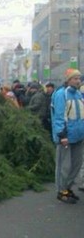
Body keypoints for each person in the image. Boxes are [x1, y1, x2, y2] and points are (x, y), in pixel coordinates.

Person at [51, 68, 84, 203]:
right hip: (66, 137)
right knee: (64, 166)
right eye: (75, 78)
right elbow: (59, 117)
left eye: (79, 78)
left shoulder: (78, 94)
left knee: (76, 164)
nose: (78, 81)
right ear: (68, 79)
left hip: (79, 136)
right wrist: (62, 135)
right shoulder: (61, 94)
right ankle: (61, 190)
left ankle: (68, 188)